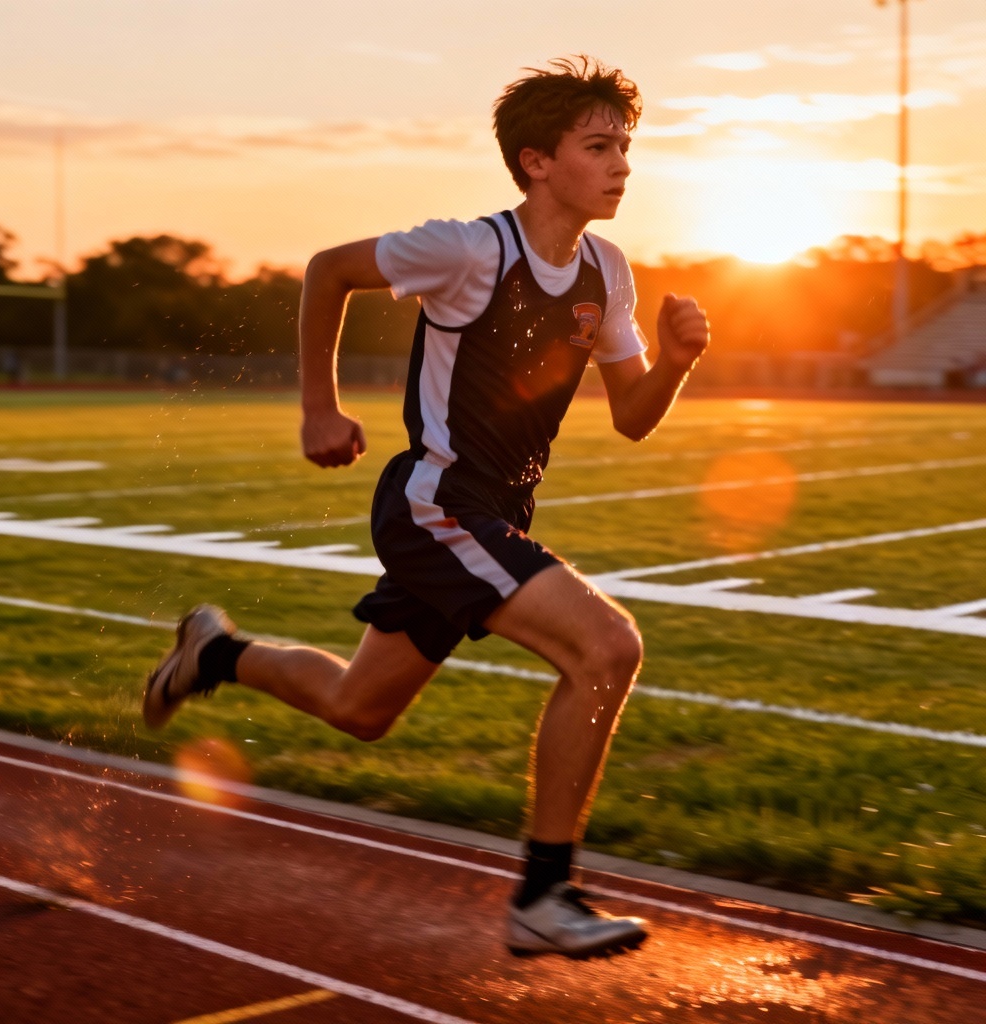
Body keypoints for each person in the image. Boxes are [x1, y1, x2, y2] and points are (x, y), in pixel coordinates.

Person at [144, 55, 710, 958]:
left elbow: (635, 419)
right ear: (536, 161)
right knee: (608, 648)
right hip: (435, 505)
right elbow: (329, 269)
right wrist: (319, 407)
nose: (623, 165)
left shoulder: (607, 270)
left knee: (361, 708)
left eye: (626, 146)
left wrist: (677, 361)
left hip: (495, 520)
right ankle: (545, 893)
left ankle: (217, 652)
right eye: (598, 146)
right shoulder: (470, 248)